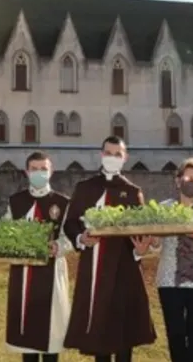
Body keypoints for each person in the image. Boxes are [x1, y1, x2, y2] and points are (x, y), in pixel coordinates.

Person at [62, 136, 156, 362]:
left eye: (117, 154)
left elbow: (141, 229)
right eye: (108, 153)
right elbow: (71, 222)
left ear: (125, 158)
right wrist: (80, 237)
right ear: (101, 154)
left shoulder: (132, 191)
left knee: (124, 331)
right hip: (94, 267)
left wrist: (140, 249)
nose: (112, 158)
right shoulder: (85, 188)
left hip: (125, 269)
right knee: (99, 327)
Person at [148, 157, 193, 362]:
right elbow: (156, 249)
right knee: (175, 335)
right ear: (178, 179)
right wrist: (154, 240)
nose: (192, 181)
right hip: (169, 281)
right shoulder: (164, 209)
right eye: (188, 176)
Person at [4, 151, 73, 362]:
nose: (39, 172)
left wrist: (58, 246)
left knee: (51, 336)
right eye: (34, 169)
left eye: (43, 168)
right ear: (27, 172)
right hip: (23, 274)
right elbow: (5, 233)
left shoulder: (62, 203)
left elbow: (69, 237)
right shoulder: (16, 202)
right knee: (28, 337)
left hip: (52, 275)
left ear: (51, 171)